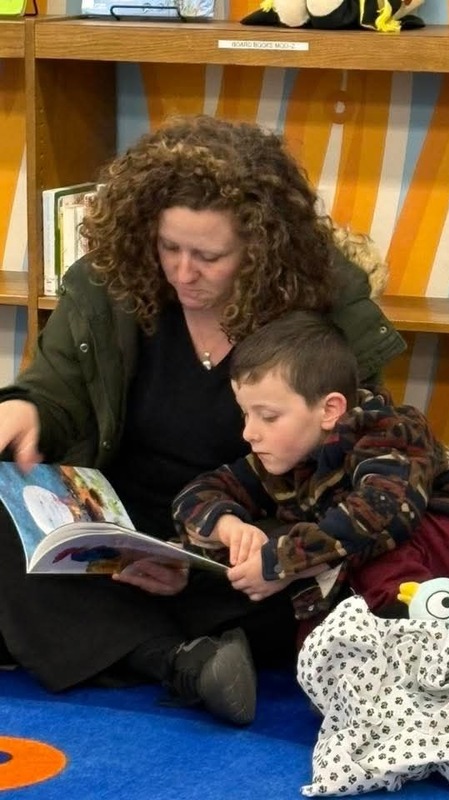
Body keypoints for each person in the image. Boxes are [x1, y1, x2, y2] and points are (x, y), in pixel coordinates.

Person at [0, 114, 407, 726]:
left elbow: (358, 457)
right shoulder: (108, 284)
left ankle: (143, 646)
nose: (183, 273)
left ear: (260, 248)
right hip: (122, 528)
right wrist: (24, 408)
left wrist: (274, 551)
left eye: (208, 256)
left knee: (338, 584)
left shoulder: (322, 300)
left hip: (246, 540)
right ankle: (180, 660)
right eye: (169, 248)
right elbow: (55, 394)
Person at [172, 311, 449, 723]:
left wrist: (280, 562)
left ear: (329, 410)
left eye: (267, 417)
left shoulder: (389, 430)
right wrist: (229, 525)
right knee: (320, 644)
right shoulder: (280, 462)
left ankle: (424, 662)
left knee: (361, 540)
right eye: (245, 414)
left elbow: (382, 512)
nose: (250, 432)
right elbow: (196, 494)